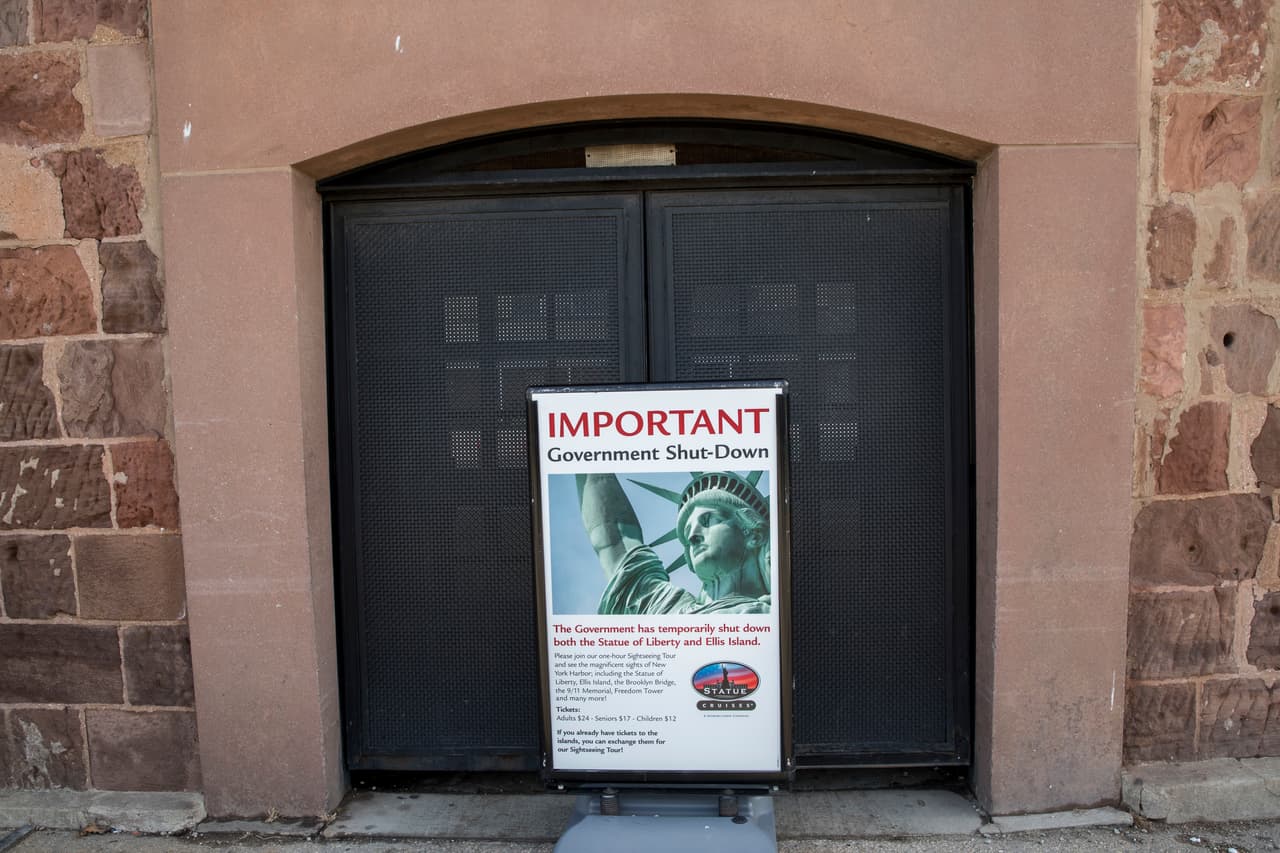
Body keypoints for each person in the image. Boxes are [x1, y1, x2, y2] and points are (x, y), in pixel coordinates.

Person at [576, 471, 771, 614]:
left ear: (754, 534)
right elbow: (616, 538)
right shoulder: (669, 612)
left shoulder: (784, 613)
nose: (693, 536)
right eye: (687, 533)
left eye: (708, 520)